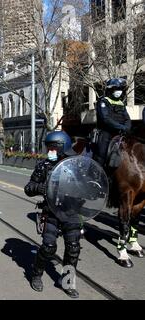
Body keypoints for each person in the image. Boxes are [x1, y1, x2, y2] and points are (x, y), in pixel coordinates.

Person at [24, 131, 81, 299]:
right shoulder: (44, 165)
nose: (49, 151)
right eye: (48, 148)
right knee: (49, 247)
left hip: (72, 212)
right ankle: (36, 274)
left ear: (62, 147)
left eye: (52, 148)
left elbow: (89, 185)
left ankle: (68, 282)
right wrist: (41, 188)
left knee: (73, 249)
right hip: (52, 211)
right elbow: (29, 188)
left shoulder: (77, 165)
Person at [93, 78, 131, 167]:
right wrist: (121, 127)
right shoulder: (103, 101)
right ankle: (97, 174)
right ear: (110, 90)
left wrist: (127, 127)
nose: (119, 91)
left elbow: (127, 118)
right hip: (106, 132)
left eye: (120, 89)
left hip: (120, 133)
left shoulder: (121, 103)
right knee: (102, 154)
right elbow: (105, 119)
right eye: (116, 89)